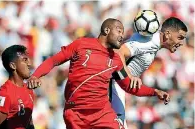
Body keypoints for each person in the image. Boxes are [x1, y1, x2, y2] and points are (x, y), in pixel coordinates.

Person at [27, 18, 170, 129]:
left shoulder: (116, 59)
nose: (122, 36)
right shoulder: (81, 45)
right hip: (76, 114)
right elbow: (53, 61)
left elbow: (128, 86)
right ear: (107, 30)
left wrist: (154, 92)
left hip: (102, 113)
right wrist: (35, 75)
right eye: (119, 31)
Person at [110, 17, 188, 127]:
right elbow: (118, 52)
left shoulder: (153, 42)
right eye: (179, 37)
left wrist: (155, 91)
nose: (181, 43)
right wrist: (128, 75)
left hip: (117, 84)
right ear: (168, 34)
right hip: (112, 84)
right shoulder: (150, 41)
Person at [0, 45, 36, 129]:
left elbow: (29, 122)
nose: (29, 64)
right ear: (13, 65)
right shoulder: (5, 94)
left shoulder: (28, 90)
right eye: (25, 60)